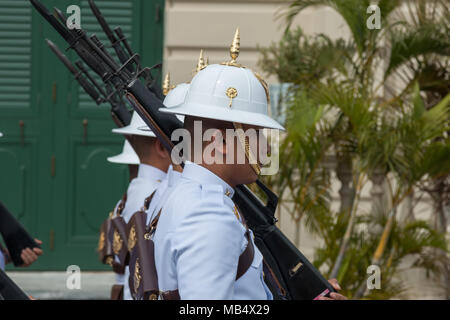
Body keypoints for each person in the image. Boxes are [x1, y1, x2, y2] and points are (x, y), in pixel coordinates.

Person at [151, 29, 346, 300]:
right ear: (219, 142)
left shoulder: (199, 197)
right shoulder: (209, 216)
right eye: (257, 134)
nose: (266, 148)